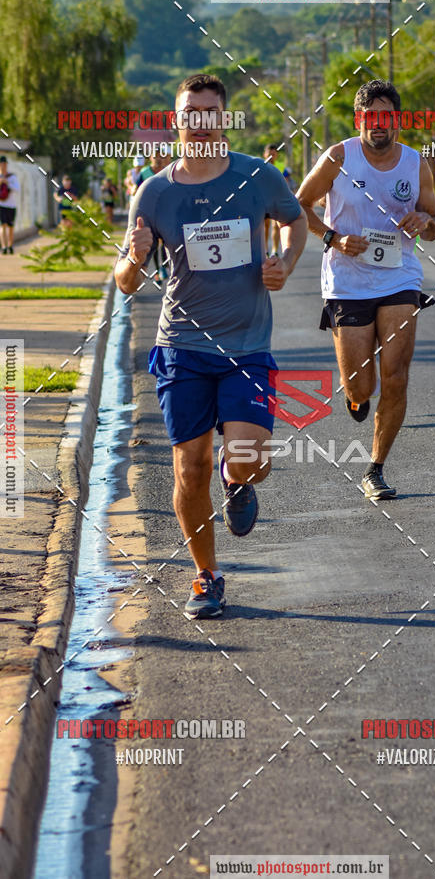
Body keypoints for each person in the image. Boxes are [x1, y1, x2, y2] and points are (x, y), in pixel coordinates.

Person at [114, 73, 307, 619]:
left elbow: (295, 221)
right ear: (177, 120)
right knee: (187, 468)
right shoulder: (153, 192)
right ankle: (205, 576)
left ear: (223, 118)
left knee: (248, 461)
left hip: (246, 347)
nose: (200, 122)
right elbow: (127, 280)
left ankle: (237, 480)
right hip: (182, 347)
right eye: (189, 113)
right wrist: (133, 256)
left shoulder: (256, 176)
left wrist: (286, 263)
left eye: (209, 112)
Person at [297, 78, 435, 500]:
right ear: (360, 119)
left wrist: (424, 223)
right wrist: (333, 239)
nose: (379, 124)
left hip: (400, 278)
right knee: (362, 385)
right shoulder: (338, 157)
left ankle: (375, 469)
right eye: (370, 116)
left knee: (395, 377)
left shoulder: (416, 164)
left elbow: (434, 223)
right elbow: (298, 204)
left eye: (387, 116)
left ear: (397, 120)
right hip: (346, 280)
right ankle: (357, 398)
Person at [137, 150, 173, 283]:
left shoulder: (169, 171)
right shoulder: (145, 173)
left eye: (161, 155)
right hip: (150, 212)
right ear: (150, 157)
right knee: (153, 243)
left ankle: (164, 267)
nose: (158, 158)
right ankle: (157, 270)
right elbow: (138, 191)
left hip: (167, 211)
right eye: (155, 155)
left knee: (165, 242)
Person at [263, 144, 294, 255]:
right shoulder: (259, 166)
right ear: (264, 154)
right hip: (263, 200)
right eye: (269, 154)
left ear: (277, 155)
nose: (271, 156)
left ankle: (274, 250)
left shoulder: (281, 167)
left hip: (277, 200)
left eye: (274, 154)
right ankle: (265, 249)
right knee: (265, 226)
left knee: (276, 225)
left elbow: (286, 183)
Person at [0, 156, 19, 254]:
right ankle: (3, 246)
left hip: (11, 205)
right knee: (3, 225)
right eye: (1, 164)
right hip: (1, 205)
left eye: (4, 164)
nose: (3, 166)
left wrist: (7, 183)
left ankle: (10, 245)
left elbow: (17, 189)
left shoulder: (12, 177)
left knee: (10, 226)